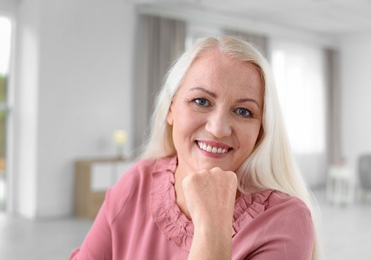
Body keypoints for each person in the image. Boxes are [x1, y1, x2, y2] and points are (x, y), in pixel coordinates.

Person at [70, 36, 320, 259]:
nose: (218, 128)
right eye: (201, 101)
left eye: (243, 111)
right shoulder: (138, 180)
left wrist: (212, 225)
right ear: (170, 109)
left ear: (261, 130)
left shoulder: (286, 221)